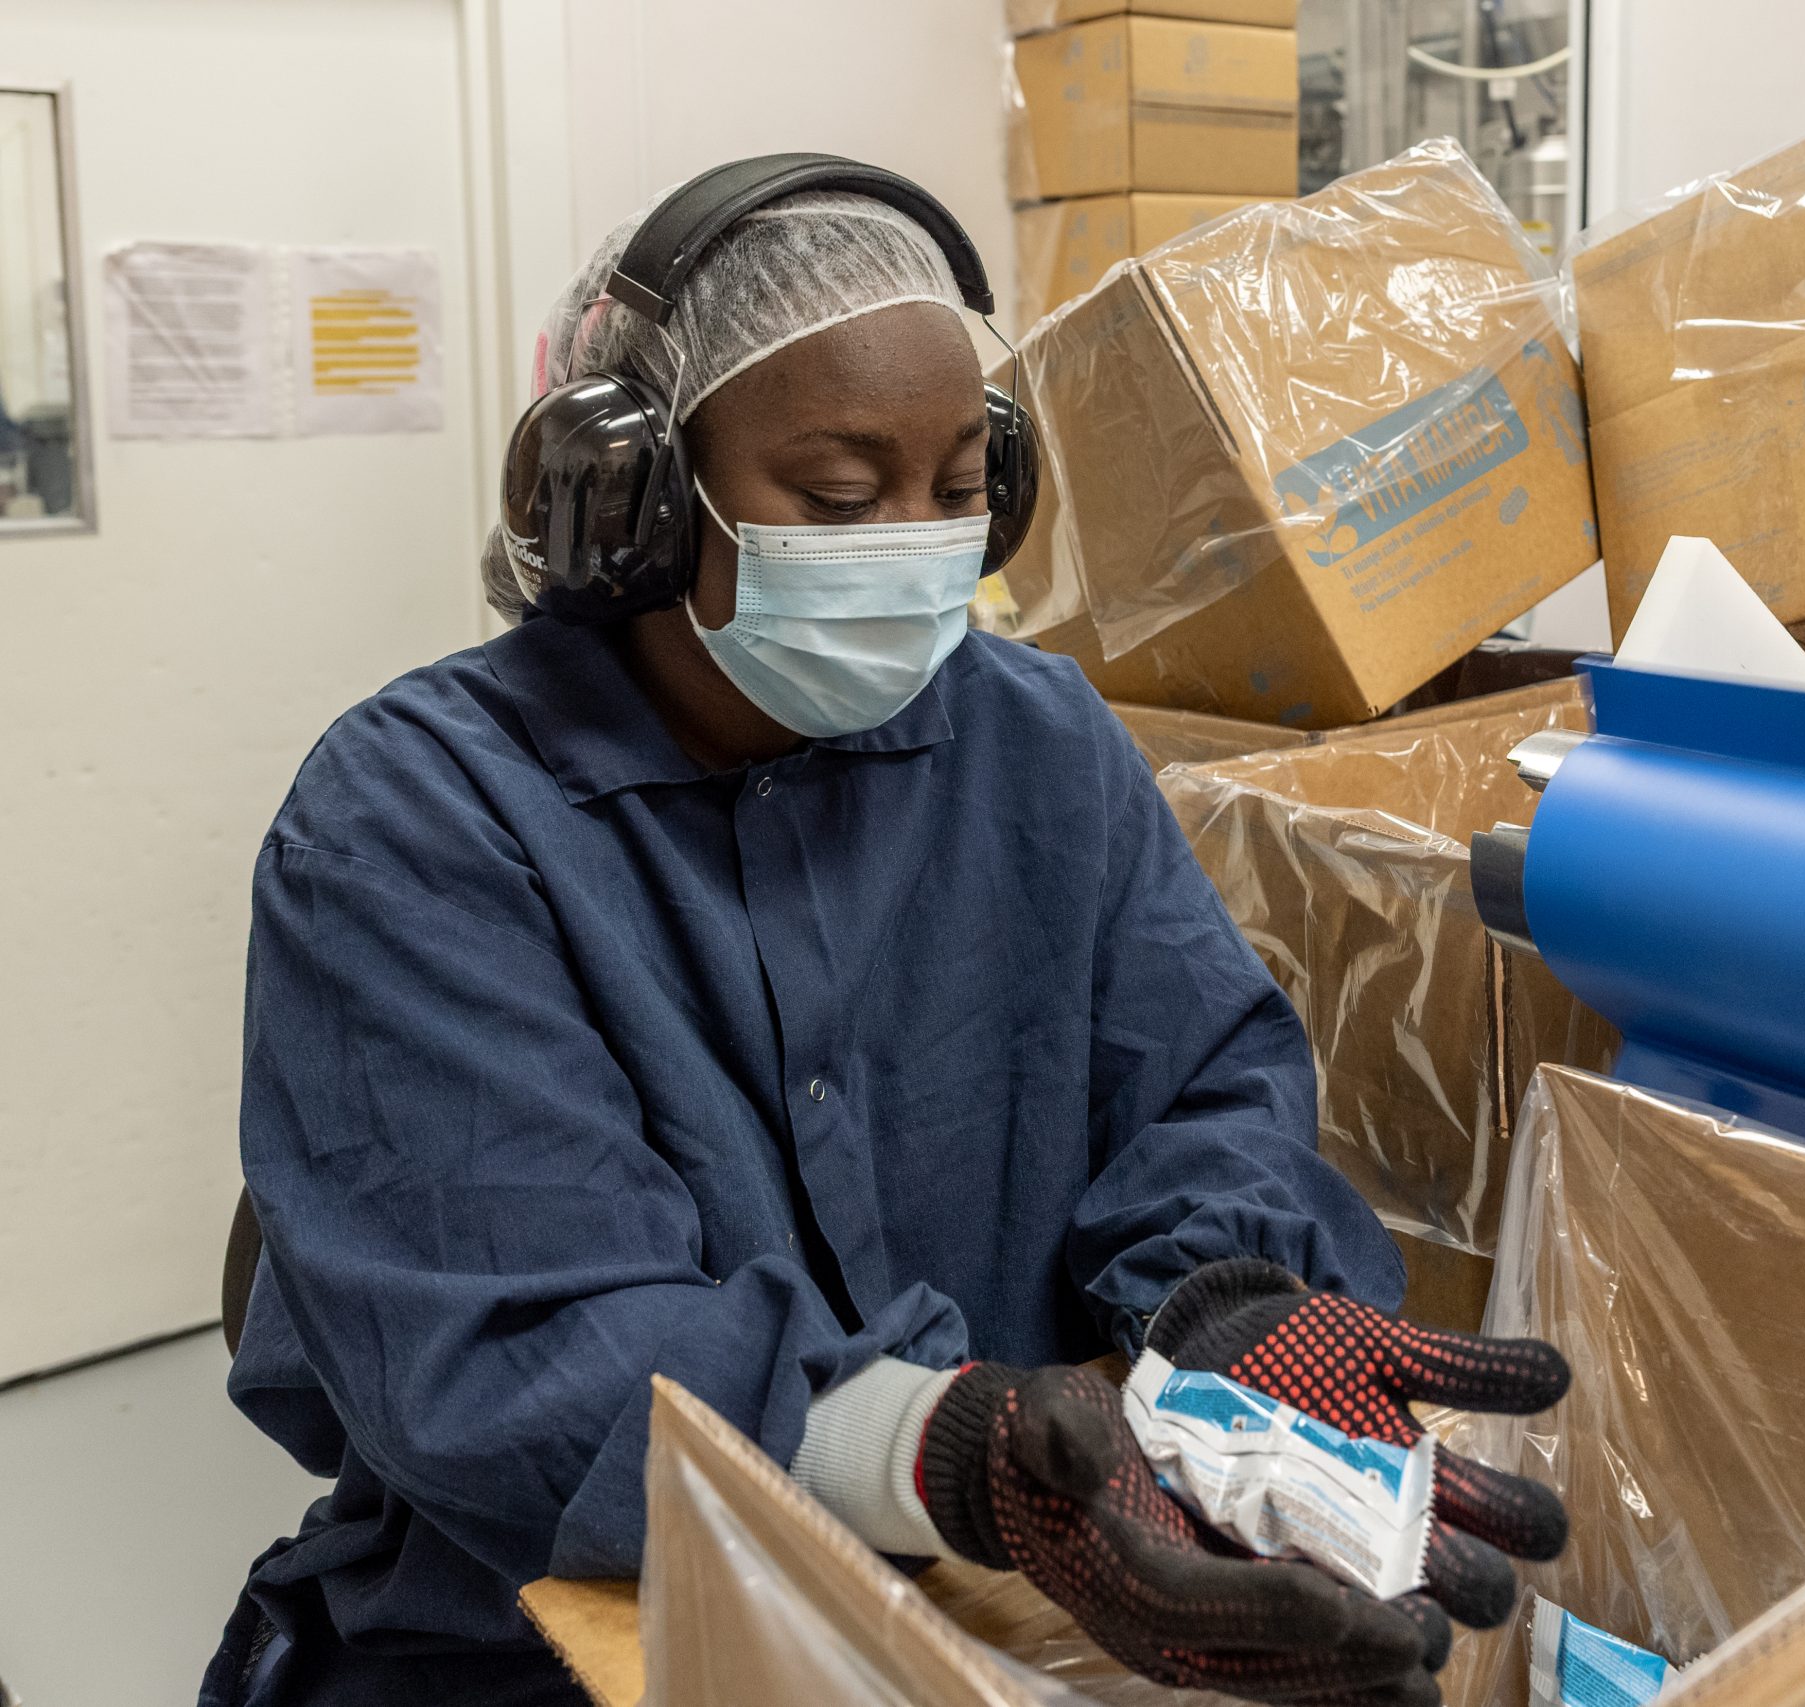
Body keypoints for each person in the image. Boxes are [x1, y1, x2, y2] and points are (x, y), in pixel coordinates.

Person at [201, 158, 1570, 1707]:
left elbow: (1202, 1089)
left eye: (959, 490)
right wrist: (951, 1455)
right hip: (539, 1636)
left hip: (1005, 1603)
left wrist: (1231, 1313)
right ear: (633, 506)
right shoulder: (417, 821)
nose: (913, 543)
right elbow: (517, 1353)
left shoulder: (1038, 740)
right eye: (843, 499)